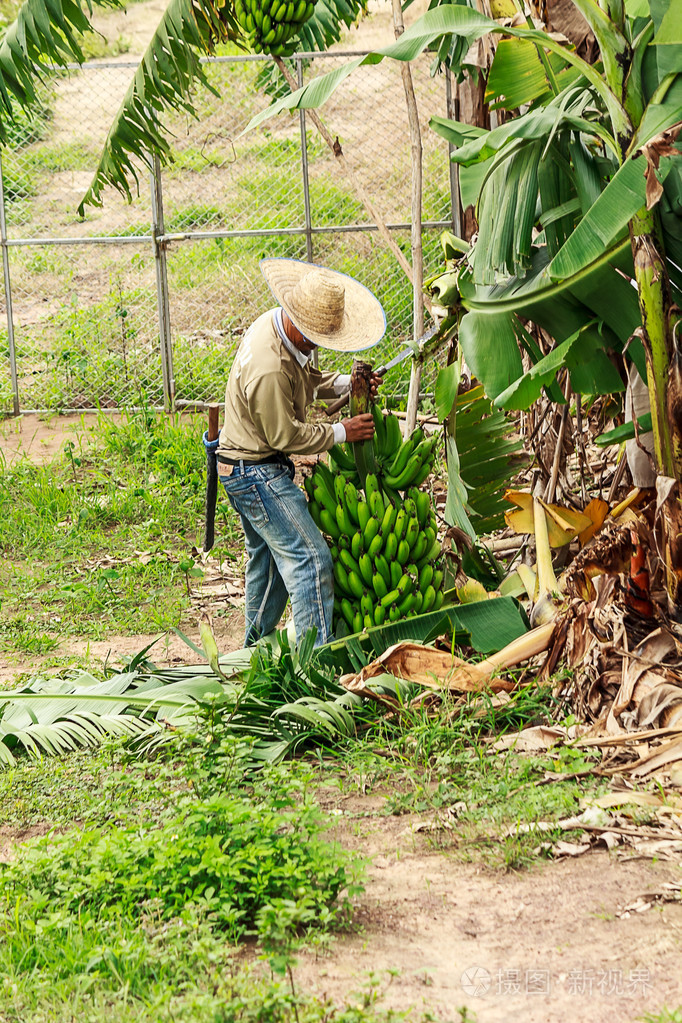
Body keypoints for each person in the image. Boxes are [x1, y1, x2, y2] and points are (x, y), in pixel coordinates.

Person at [216, 258, 386, 647]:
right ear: (298, 321)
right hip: (254, 472)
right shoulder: (269, 367)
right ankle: (315, 663)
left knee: (270, 568)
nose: (318, 344)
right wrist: (343, 432)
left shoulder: (277, 329)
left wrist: (348, 384)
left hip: (244, 464)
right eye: (316, 337)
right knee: (310, 560)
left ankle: (253, 653)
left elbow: (304, 378)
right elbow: (285, 436)